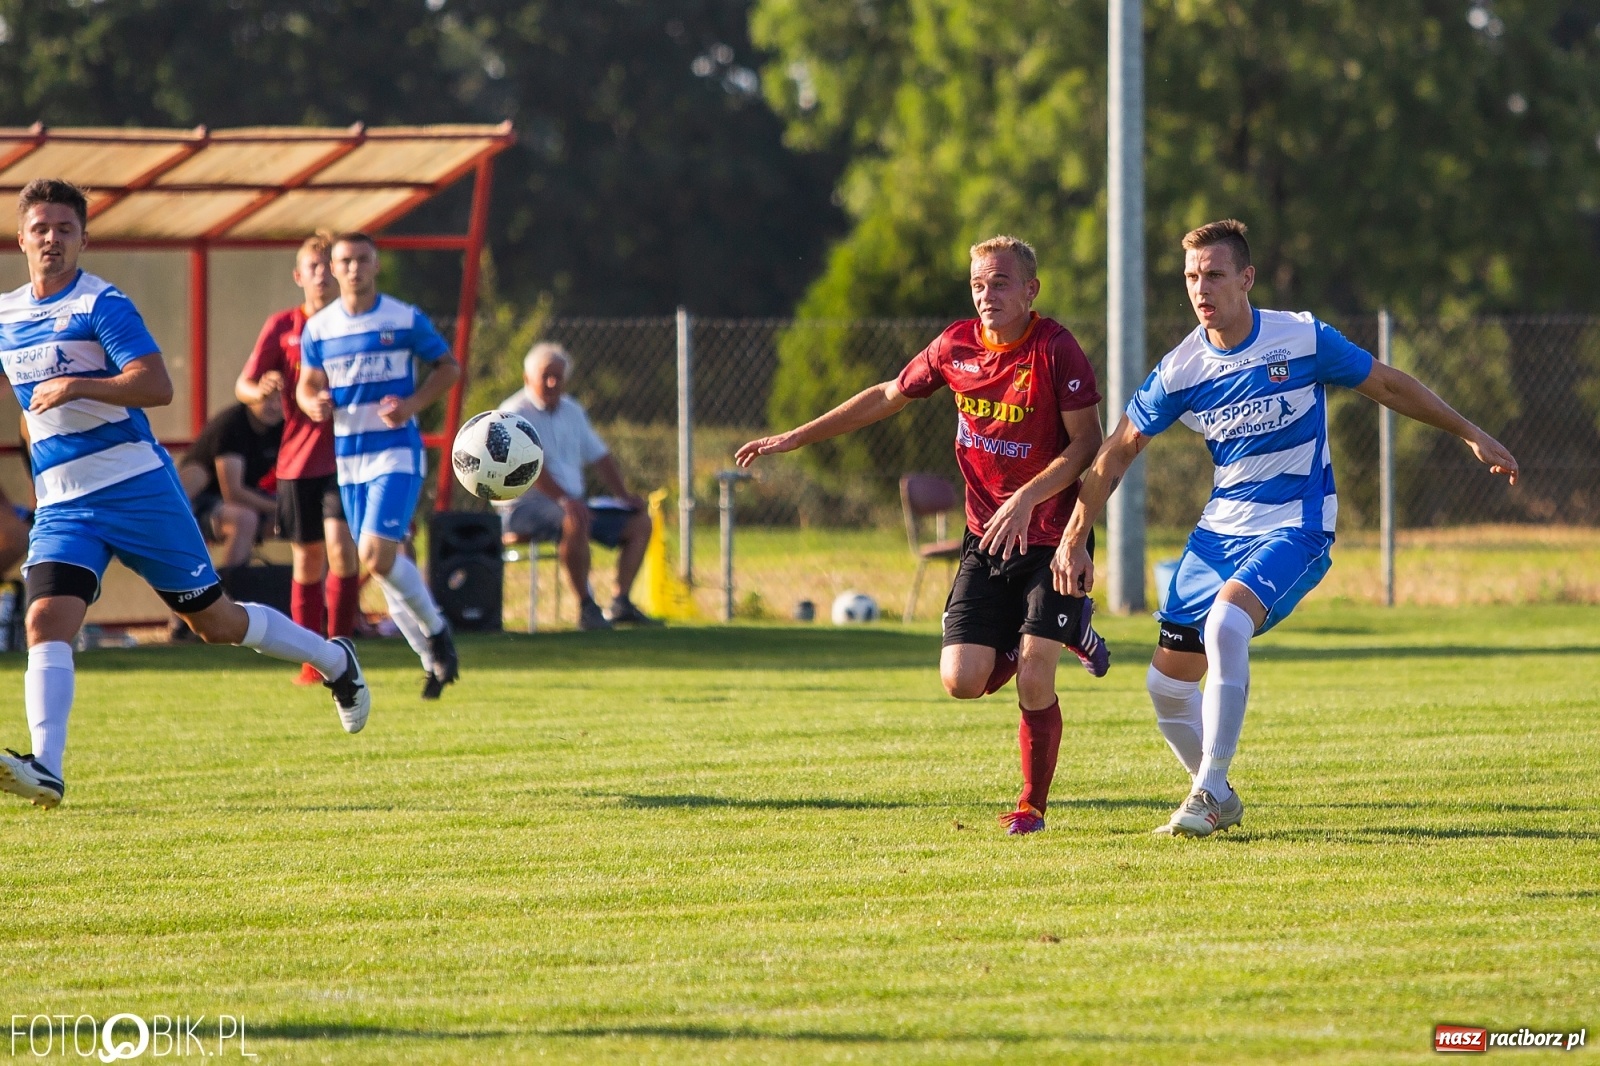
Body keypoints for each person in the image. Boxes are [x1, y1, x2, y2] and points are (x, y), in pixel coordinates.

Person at [1052, 219, 1519, 838]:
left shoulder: (1300, 337)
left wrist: (1470, 432)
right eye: (1191, 277)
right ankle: (1219, 795)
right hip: (1218, 534)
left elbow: (1386, 383)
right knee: (1166, 686)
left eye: (1214, 275)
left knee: (1226, 623)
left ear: (1246, 278)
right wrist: (1075, 536)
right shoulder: (1183, 367)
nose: (1201, 289)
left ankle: (1207, 793)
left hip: (1296, 526)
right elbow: (1118, 448)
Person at [0, 179, 371, 809]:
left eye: (65, 229)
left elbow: (156, 385)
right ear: (21, 238)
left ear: (84, 238)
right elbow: (28, 405)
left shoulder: (101, 304)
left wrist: (80, 385)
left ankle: (335, 661)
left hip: (136, 489)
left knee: (216, 623)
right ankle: (48, 768)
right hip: (65, 505)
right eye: (41, 229)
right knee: (44, 620)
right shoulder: (8, 313)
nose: (52, 240)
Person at [737, 235, 1109, 836]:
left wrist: (1026, 498)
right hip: (987, 538)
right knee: (961, 681)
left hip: (1051, 536)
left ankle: (1031, 807)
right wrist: (796, 437)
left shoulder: (1055, 349)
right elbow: (888, 395)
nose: (987, 295)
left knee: (1035, 675)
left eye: (1000, 283)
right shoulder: (956, 346)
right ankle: (1064, 630)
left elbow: (1088, 443)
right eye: (978, 284)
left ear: (1031, 290)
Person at [297, 232, 461, 699]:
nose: (354, 268)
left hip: (396, 453)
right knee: (387, 569)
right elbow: (307, 385)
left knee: (374, 555)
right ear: (334, 267)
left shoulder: (403, 318)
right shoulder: (320, 328)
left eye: (362, 259)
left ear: (376, 264)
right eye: (345, 261)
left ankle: (437, 632)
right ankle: (433, 660)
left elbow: (448, 368)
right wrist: (312, 402)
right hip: (350, 459)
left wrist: (411, 405)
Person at [235, 231, 362, 685]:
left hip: (347, 457)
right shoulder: (284, 326)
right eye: (314, 267)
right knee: (308, 560)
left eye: (330, 266)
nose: (323, 275)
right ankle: (311, 663)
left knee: (342, 550)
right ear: (299, 276)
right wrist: (261, 390)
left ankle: (344, 653)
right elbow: (244, 385)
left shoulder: (356, 324)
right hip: (299, 459)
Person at [494, 343, 658, 631]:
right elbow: (527, 468)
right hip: (523, 506)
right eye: (545, 376)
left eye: (558, 377)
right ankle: (586, 607)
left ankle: (620, 602)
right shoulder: (512, 413)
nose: (552, 383)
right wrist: (565, 500)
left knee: (639, 522)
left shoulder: (573, 411)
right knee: (574, 519)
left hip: (572, 502)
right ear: (527, 378)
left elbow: (600, 456)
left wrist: (624, 496)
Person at [179, 393, 283, 570]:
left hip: (246, 498)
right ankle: (233, 583)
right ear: (250, 393)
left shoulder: (281, 426)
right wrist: (280, 507)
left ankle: (318, 585)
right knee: (245, 519)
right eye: (267, 398)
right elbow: (233, 493)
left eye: (280, 399)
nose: (274, 406)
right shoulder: (232, 424)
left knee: (308, 517)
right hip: (198, 503)